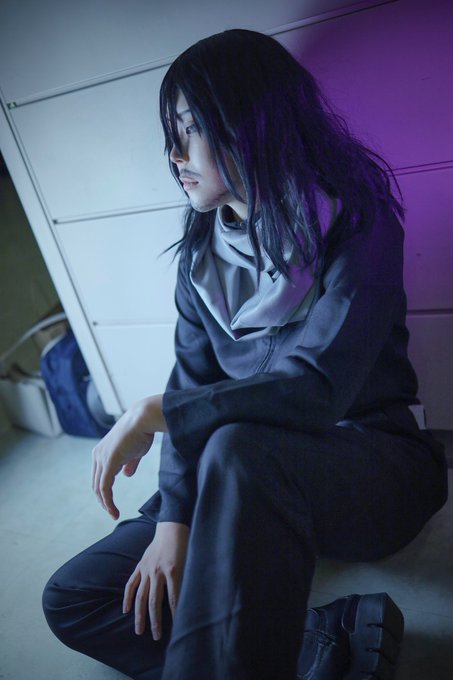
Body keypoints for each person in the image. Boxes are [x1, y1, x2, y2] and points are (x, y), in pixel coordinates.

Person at [42, 29, 448, 680]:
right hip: (238, 476)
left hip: (372, 465)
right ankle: (323, 638)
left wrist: (158, 411)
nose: (174, 154)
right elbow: (193, 380)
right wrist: (174, 520)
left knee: (236, 445)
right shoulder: (200, 257)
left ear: (251, 123)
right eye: (170, 134)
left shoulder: (357, 222)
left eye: (190, 129)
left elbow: (315, 390)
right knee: (76, 597)